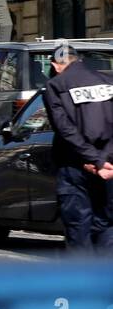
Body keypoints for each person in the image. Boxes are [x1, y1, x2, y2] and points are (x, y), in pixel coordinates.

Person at [41, 43, 113, 251]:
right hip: (108, 168)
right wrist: (103, 159)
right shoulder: (107, 81)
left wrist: (93, 160)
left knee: (78, 231)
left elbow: (65, 130)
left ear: (56, 65)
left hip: (75, 168)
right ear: (78, 59)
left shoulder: (56, 85)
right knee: (106, 226)